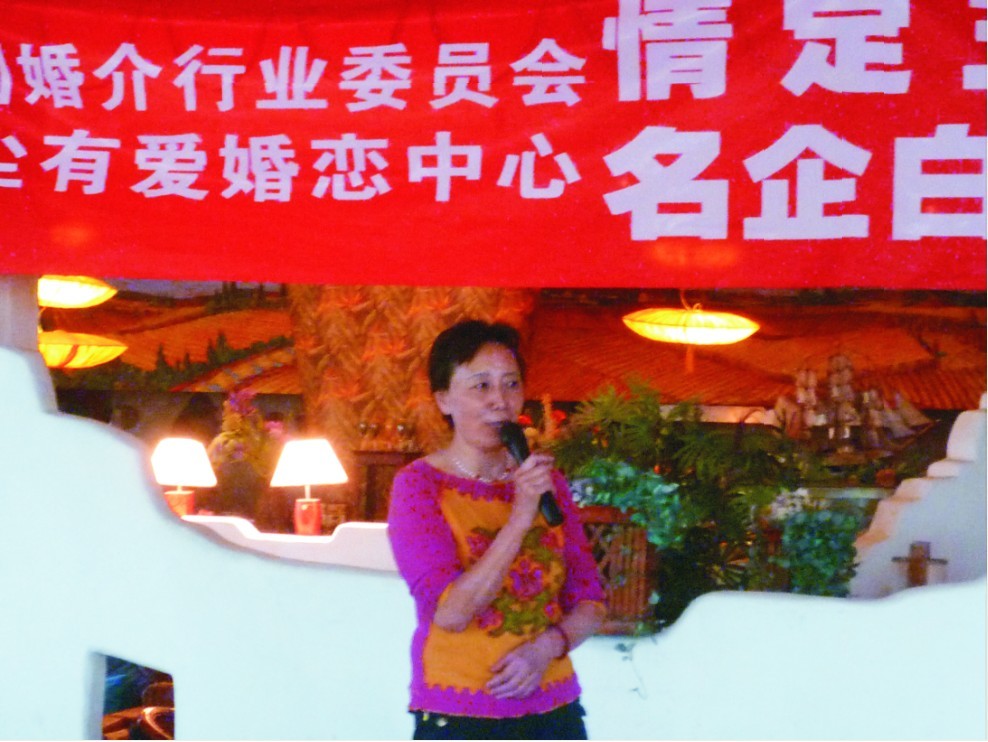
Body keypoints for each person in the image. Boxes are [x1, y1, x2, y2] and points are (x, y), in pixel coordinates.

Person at [387, 320, 606, 740]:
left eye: (511, 384)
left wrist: (547, 648)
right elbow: (451, 614)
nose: (500, 401)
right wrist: (521, 515)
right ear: (444, 399)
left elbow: (591, 602)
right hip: (460, 712)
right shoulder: (418, 486)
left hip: (554, 711)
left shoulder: (548, 484)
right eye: (481, 386)